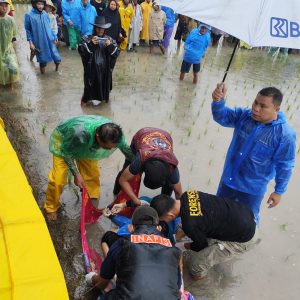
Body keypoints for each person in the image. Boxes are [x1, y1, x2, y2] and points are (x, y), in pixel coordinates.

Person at [212, 84, 296, 222]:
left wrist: (278, 191)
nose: (256, 108)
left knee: (246, 223)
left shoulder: (285, 135)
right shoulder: (244, 116)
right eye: (255, 102)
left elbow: (285, 166)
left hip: (251, 191)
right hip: (228, 181)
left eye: (263, 106)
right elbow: (221, 116)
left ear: (276, 109)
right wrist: (218, 101)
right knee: (217, 215)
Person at [44, 115, 133, 221]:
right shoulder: (79, 133)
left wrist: (138, 165)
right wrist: (76, 174)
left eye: (112, 148)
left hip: (88, 147)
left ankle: (91, 197)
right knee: (58, 180)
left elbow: (126, 151)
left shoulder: (116, 136)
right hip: (65, 142)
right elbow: (66, 153)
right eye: (106, 147)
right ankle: (51, 207)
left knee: (92, 174)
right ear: (98, 136)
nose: (109, 150)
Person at [151, 190, 257, 279]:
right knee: (194, 229)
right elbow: (197, 216)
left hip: (244, 237)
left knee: (196, 267)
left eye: (163, 220)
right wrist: (179, 236)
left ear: (170, 215)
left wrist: (182, 246)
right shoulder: (188, 194)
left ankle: (200, 286)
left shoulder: (190, 225)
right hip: (245, 213)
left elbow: (201, 246)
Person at [85, 206, 182, 299]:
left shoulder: (121, 244)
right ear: (158, 228)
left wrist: (91, 278)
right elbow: (177, 287)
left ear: (131, 228)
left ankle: (112, 272)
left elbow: (102, 284)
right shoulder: (174, 250)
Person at [113, 127, 183, 207]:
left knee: (170, 184)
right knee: (126, 171)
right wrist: (136, 201)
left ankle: (164, 203)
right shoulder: (140, 159)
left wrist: (178, 211)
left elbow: (178, 194)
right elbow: (123, 180)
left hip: (165, 136)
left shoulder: (172, 167)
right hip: (142, 135)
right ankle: (115, 193)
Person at [78, 16, 120, 105]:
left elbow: (116, 52)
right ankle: (84, 110)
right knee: (87, 93)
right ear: (95, 28)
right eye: (98, 28)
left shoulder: (110, 40)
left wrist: (110, 46)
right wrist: (91, 44)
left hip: (105, 72)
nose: (101, 30)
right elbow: (81, 50)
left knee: (105, 93)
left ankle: (105, 112)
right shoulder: (87, 39)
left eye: (103, 28)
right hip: (91, 72)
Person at [24, 0, 61, 74]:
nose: (41, 6)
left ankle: (57, 71)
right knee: (42, 61)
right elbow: (28, 31)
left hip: (50, 40)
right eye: (38, 4)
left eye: (42, 4)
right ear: (34, 4)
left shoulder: (45, 14)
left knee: (57, 58)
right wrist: (31, 43)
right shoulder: (29, 15)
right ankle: (43, 78)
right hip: (39, 41)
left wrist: (54, 36)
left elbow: (49, 27)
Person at [0, 0, 19, 90]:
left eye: (5, 6)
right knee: (1, 67)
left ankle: (11, 86)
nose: (4, 8)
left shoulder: (10, 19)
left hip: (8, 47)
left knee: (13, 67)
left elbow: (14, 33)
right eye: (1, 6)